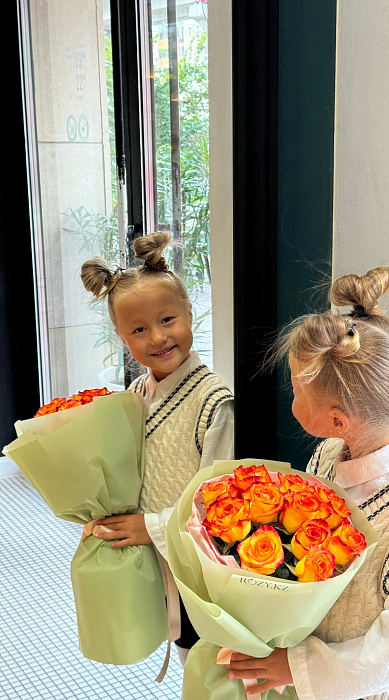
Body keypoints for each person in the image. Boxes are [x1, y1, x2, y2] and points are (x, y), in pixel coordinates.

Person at [227, 266, 389, 700]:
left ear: (336, 419)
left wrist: (296, 666)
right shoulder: (331, 454)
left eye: (295, 390)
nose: (290, 398)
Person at [80, 231, 234, 664]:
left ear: (189, 311)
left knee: (200, 658)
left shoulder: (215, 402)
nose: (157, 338)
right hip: (152, 554)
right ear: (121, 336)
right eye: (139, 329)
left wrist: (151, 526)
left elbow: (218, 502)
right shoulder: (136, 393)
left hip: (194, 561)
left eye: (168, 320)